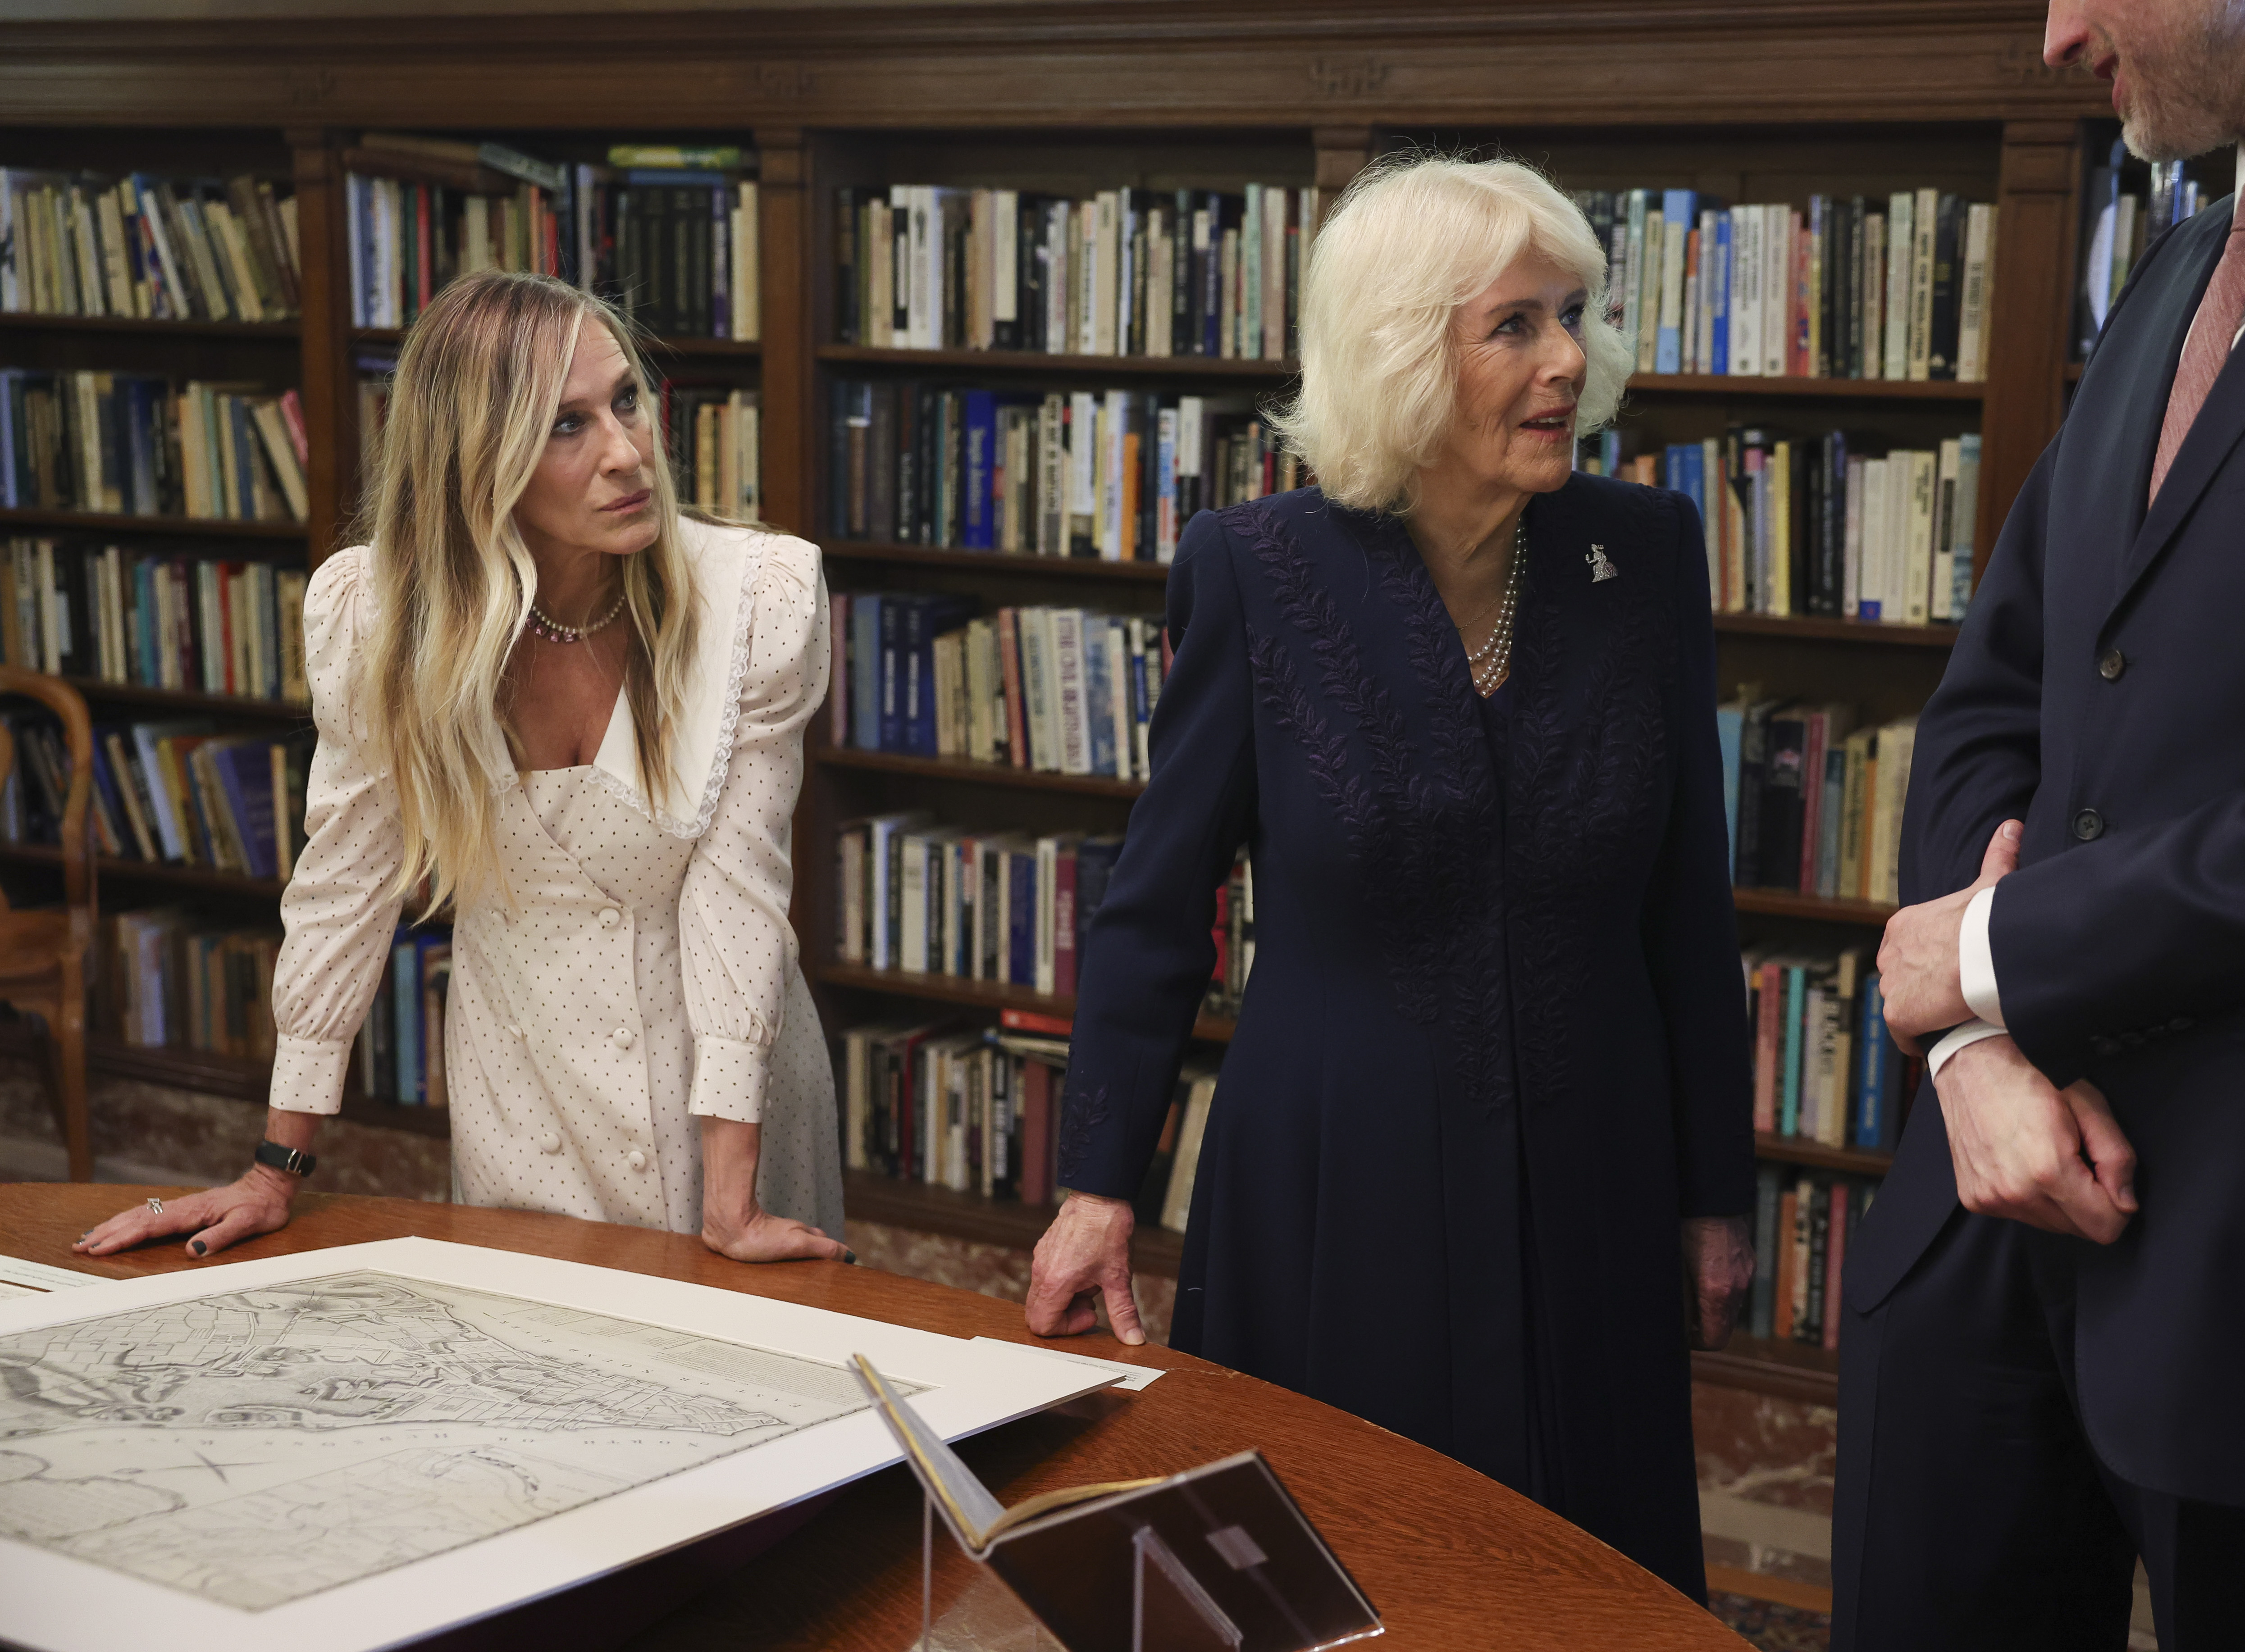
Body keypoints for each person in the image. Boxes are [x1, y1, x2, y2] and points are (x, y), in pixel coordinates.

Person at [1019, 154, 1755, 1593]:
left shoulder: (1646, 554)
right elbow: (1157, 904)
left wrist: (1711, 1191)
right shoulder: (1255, 568)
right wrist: (1097, 1186)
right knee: (1329, 1570)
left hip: (1594, 1170)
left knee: (1579, 1578)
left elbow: (1688, 903)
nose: (1569, 361)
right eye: (1515, 326)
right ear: (1403, 355)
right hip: (1331, 1179)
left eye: (1574, 315)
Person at [1836, 2, 2245, 1647]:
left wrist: (1993, 951)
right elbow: (1998, 693)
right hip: (1978, 1221)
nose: (2056, 36)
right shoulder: (2183, 266)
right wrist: (1970, 1047)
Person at [77, 271, 847, 1267]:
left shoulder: (753, 603)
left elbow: (738, 897)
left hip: (728, 1077)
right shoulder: (380, 620)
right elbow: (343, 886)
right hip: (517, 1078)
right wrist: (275, 1168)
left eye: (627, 400)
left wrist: (731, 1200)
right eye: (566, 426)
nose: (627, 452)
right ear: (476, 461)